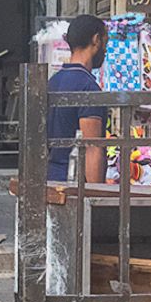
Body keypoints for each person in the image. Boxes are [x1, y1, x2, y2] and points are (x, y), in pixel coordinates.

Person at [48, 14, 108, 183]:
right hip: (74, 183)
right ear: (96, 40)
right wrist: (95, 199)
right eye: (106, 43)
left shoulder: (53, 82)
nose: (105, 50)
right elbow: (92, 148)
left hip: (50, 180)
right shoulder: (88, 88)